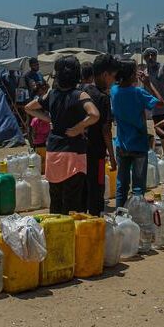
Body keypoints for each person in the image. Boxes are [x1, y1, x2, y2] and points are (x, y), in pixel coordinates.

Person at [25, 55, 99, 214]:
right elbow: (94, 114)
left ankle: (55, 227)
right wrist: (79, 127)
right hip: (74, 152)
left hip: (53, 151)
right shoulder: (80, 95)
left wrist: (48, 118)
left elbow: (29, 107)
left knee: (56, 198)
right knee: (72, 201)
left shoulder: (51, 94)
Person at [111, 59, 164, 207]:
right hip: (139, 145)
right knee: (138, 188)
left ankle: (119, 213)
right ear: (131, 75)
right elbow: (161, 103)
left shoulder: (114, 91)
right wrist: (148, 84)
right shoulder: (138, 92)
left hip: (121, 144)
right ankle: (136, 214)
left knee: (122, 185)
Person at [80, 54, 119, 216]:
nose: (114, 81)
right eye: (113, 76)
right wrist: (112, 156)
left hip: (80, 152)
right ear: (105, 75)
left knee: (82, 189)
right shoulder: (103, 98)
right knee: (97, 189)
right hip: (97, 153)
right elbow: (106, 130)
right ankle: (95, 220)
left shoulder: (82, 91)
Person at [29, 83, 50, 173]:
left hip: (38, 141)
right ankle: (42, 169)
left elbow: (33, 133)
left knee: (39, 156)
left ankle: (40, 169)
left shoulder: (36, 120)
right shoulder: (46, 121)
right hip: (41, 141)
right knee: (42, 156)